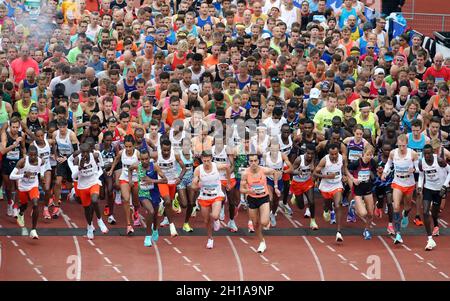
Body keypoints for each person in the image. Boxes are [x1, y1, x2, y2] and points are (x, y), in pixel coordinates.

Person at [382, 134, 419, 244]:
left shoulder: (412, 153)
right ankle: (398, 233)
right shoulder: (393, 153)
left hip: (409, 183)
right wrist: (384, 173)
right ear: (397, 144)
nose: (401, 148)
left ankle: (406, 214)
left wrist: (414, 169)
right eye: (400, 146)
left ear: (407, 144)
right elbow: (388, 164)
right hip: (397, 182)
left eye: (403, 146)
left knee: (407, 206)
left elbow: (418, 168)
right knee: (396, 206)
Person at [240, 154, 280, 253]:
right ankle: (262, 242)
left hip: (263, 198)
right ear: (248, 162)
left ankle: (267, 220)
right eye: (251, 161)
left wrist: (275, 187)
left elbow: (275, 172)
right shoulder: (245, 173)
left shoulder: (264, 170)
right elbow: (241, 189)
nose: (253, 163)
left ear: (258, 161)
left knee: (264, 222)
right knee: (255, 224)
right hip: (252, 199)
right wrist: (249, 191)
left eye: (255, 160)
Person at [192, 151, 231, 249]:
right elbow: (193, 186)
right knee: (206, 220)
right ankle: (210, 238)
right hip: (204, 196)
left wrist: (228, 182)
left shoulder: (216, 166)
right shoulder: (198, 170)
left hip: (216, 195)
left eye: (208, 160)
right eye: (204, 161)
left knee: (214, 215)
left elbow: (227, 167)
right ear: (201, 160)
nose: (206, 163)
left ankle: (217, 219)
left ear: (211, 159)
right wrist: (197, 185)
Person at [129, 150, 167, 247]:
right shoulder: (137, 166)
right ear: (140, 159)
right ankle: (147, 236)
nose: (145, 161)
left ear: (149, 158)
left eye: (146, 159)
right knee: (150, 211)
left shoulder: (154, 166)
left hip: (154, 193)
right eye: (142, 159)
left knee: (155, 216)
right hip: (143, 193)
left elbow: (165, 180)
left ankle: (155, 229)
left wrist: (152, 180)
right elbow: (130, 169)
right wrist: (130, 181)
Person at [417, 144, 450, 251]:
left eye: (429, 153)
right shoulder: (421, 162)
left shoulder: (439, 160)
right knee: (425, 212)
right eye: (425, 153)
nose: (427, 155)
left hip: (439, 190)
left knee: (435, 212)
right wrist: (419, 186)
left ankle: (435, 223)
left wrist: (445, 186)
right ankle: (430, 238)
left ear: (432, 153)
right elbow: (421, 175)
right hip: (428, 188)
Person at [73, 143, 109, 239]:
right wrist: (80, 168)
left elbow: (101, 165)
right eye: (83, 152)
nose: (84, 154)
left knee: (94, 200)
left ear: (89, 151)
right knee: (87, 209)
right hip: (83, 186)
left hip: (93, 182)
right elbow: (73, 176)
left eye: (86, 152)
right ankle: (89, 226)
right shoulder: (77, 159)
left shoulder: (95, 155)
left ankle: (100, 220)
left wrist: (98, 172)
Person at [314, 143, 348, 242]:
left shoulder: (342, 158)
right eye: (332, 154)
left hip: (337, 185)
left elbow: (344, 168)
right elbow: (315, 173)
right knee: (327, 204)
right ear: (328, 153)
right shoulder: (324, 160)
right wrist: (326, 176)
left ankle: (338, 232)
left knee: (338, 205)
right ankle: (326, 209)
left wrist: (344, 175)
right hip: (326, 186)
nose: (334, 156)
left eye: (336, 154)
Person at [9, 145, 43, 239]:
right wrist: (23, 175)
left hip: (33, 186)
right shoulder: (22, 162)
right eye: (31, 155)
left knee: (35, 204)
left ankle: (33, 230)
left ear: (37, 155)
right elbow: (11, 176)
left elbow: (42, 167)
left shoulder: (40, 161)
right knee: (24, 205)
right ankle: (20, 213)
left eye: (35, 155)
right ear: (28, 154)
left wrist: (42, 175)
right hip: (23, 186)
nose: (33, 157)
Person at [346, 145, 378, 240]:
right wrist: (353, 179)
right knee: (363, 213)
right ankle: (353, 205)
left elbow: (375, 172)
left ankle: (366, 230)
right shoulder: (357, 163)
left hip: (367, 188)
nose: (369, 157)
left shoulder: (372, 162)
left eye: (371, 155)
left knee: (370, 213)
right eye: (367, 154)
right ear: (363, 154)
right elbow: (346, 169)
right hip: (358, 189)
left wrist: (378, 173)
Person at [290, 143, 318, 229]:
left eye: (312, 154)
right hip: (297, 183)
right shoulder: (299, 160)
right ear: (305, 152)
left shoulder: (314, 159)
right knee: (301, 206)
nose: (310, 156)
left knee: (312, 202)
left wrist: (315, 178)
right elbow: (291, 171)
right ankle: (295, 196)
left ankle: (313, 221)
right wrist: (297, 172)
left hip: (307, 182)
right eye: (308, 153)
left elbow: (315, 172)